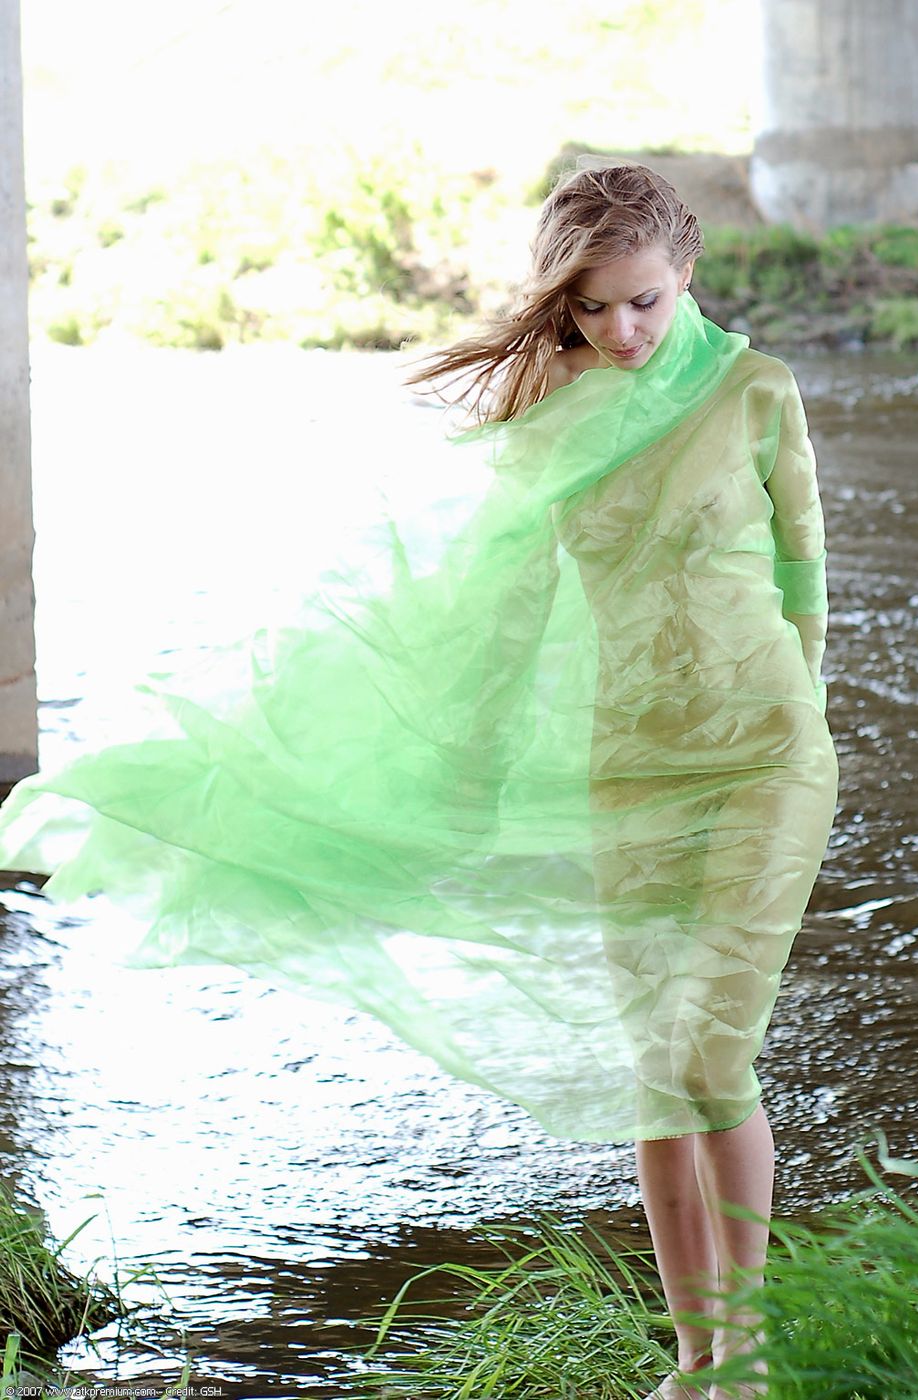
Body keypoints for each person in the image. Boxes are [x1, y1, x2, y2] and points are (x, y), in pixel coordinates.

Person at [0, 163, 837, 1399]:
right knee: (658, 1070)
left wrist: (795, 713)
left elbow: (804, 577)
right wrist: (450, 770)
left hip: (765, 759)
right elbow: (496, 604)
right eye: (592, 307)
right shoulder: (553, 405)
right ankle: (694, 1358)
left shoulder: (756, 391)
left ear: (687, 272)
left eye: (644, 302)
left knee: (710, 1054)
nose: (621, 330)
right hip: (628, 766)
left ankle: (752, 1355)